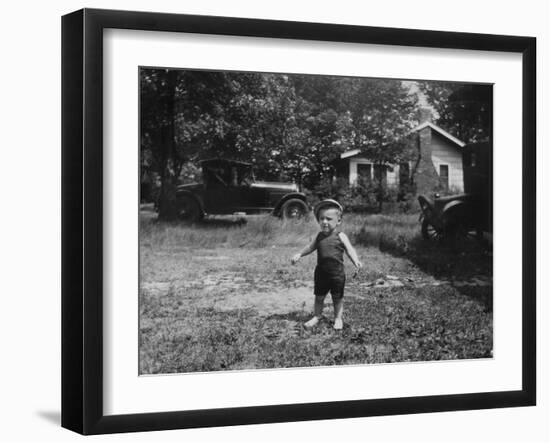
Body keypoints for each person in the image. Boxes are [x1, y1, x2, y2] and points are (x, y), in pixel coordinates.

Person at [291, 199, 362, 330]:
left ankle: (338, 319)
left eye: (329, 219)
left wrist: (356, 261)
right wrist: (299, 254)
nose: (324, 222)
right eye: (321, 218)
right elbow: (310, 247)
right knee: (319, 297)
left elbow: (349, 250)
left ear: (338, 221)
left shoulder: (341, 236)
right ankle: (317, 316)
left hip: (337, 274)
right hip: (321, 273)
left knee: (337, 298)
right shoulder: (319, 236)